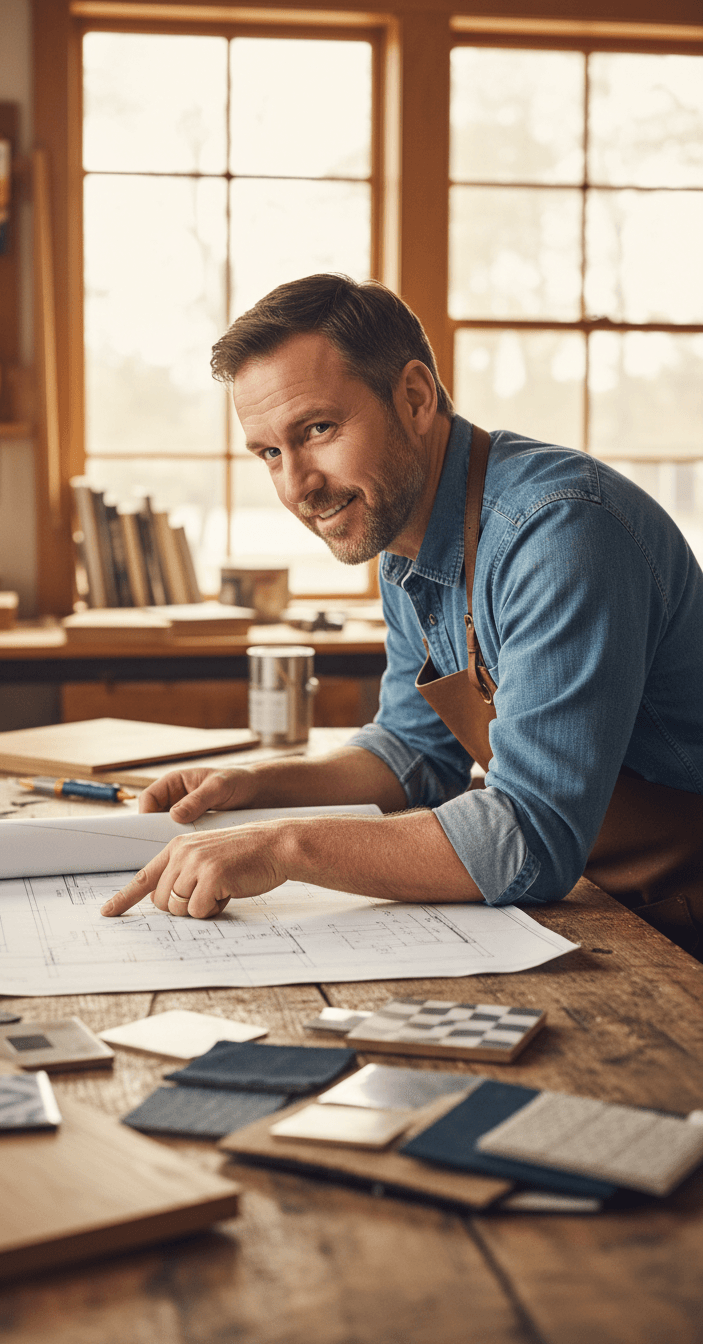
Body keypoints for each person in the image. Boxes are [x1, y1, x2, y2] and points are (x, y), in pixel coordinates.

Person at [101, 274, 703, 955]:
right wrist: (254, 789)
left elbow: (532, 838)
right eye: (270, 453)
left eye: (318, 429)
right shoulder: (401, 532)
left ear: (414, 397)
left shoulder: (559, 533)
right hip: (604, 906)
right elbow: (413, 753)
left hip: (680, 923)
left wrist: (285, 845)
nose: (297, 487)